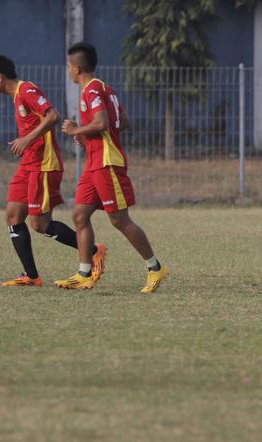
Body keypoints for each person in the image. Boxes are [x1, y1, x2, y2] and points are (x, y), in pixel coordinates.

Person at [57, 42, 166, 293]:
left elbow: (102, 123)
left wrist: (77, 130)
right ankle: (84, 273)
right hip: (94, 162)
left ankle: (155, 268)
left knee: (119, 219)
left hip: (107, 163)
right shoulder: (106, 88)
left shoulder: (92, 90)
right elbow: (122, 122)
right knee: (79, 215)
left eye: (69, 66)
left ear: (78, 68)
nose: (68, 70)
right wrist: (87, 136)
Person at [0, 54, 103, 287]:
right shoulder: (17, 96)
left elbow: (53, 115)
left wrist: (26, 139)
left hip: (44, 163)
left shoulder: (26, 90)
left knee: (40, 224)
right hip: (28, 164)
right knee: (13, 215)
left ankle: (93, 251)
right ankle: (31, 276)